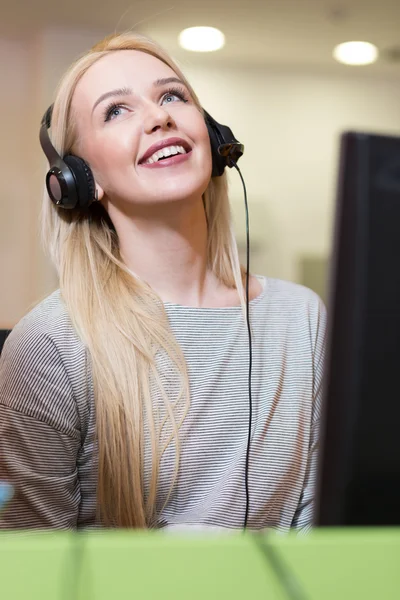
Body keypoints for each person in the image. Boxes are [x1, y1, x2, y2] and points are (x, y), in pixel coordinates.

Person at [0, 31, 326, 531]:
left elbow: (324, 529)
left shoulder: (303, 318)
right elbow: (25, 559)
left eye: (171, 95)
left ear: (217, 141)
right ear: (79, 179)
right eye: (116, 110)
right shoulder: (52, 344)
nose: (159, 116)